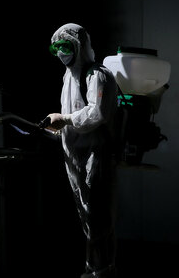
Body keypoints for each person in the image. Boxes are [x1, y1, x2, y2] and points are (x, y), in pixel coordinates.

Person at [42, 23, 119, 278]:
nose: (61, 53)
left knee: (97, 219)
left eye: (65, 46)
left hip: (95, 159)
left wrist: (64, 119)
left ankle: (101, 270)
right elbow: (72, 116)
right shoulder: (68, 79)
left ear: (79, 46)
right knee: (88, 219)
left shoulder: (98, 74)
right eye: (56, 48)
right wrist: (60, 128)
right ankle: (95, 267)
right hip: (76, 159)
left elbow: (96, 113)